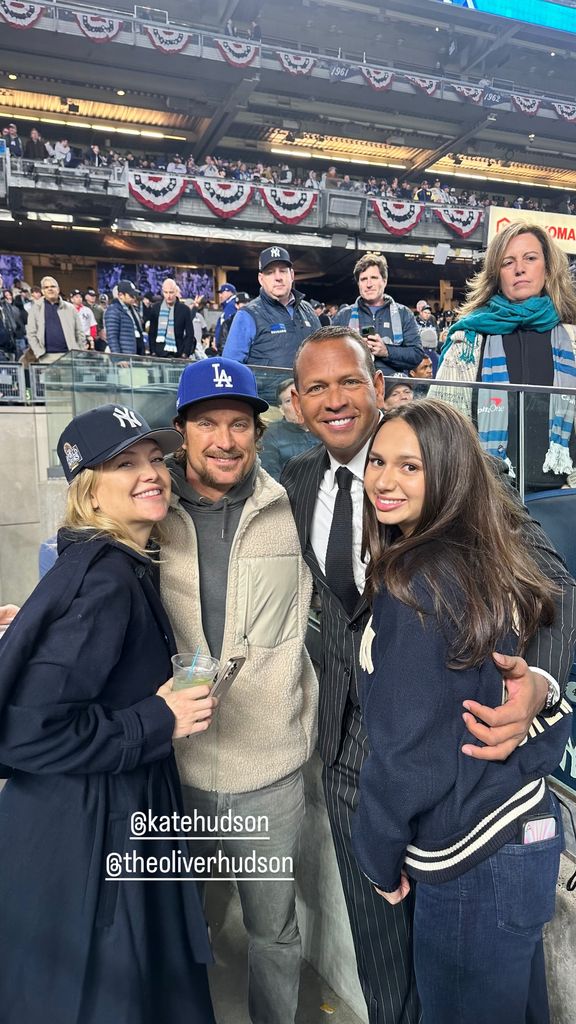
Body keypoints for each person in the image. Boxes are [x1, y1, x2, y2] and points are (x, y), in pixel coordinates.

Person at [281, 324, 576, 1024]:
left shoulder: (456, 479)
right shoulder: (294, 480)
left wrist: (538, 683)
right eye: (316, 387)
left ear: (378, 386)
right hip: (358, 752)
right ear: (295, 404)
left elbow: (551, 582)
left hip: (444, 790)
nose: (335, 399)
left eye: (350, 380)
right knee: (392, 958)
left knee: (459, 975)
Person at [353, 399, 573, 1024]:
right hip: (521, 835)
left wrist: (376, 850)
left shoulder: (419, 582)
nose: (384, 481)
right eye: (378, 462)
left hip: (472, 856)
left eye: (410, 466)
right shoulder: (485, 554)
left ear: (450, 474)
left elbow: (407, 758)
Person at [0, 404, 216, 1024]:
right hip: (91, 836)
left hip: (104, 817)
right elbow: (25, 735)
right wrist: (158, 719)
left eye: (155, 459)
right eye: (125, 464)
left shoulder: (106, 564)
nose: (151, 473)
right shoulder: (104, 582)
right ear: (88, 489)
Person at [160, 358, 318, 1024]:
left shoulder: (293, 503)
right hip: (172, 765)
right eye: (207, 424)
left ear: (257, 432)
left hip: (272, 769)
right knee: (178, 922)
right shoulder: (148, 510)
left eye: (238, 425)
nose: (224, 440)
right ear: (181, 432)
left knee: (274, 932)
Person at [434, 221, 576, 490]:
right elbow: (441, 430)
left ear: (547, 269)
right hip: (487, 498)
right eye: (507, 262)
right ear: (496, 275)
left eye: (530, 258)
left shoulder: (572, 339)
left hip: (564, 496)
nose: (519, 268)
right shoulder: (468, 340)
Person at [222, 245, 321, 377]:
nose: (278, 277)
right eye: (270, 272)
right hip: (267, 397)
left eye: (283, 271)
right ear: (261, 279)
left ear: (291, 275)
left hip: (308, 396)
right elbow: (230, 368)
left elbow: (323, 355)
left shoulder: (308, 310)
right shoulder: (248, 315)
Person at [332, 253, 424, 376]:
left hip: (392, 388)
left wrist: (386, 351)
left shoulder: (404, 314)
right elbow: (331, 356)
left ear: (384, 281)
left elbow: (416, 355)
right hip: (355, 386)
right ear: (358, 284)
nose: (369, 284)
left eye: (374, 278)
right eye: (363, 279)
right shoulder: (344, 316)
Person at [259, 377, 320, 480]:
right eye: (288, 401)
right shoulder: (271, 434)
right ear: (281, 409)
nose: (297, 405)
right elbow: (270, 476)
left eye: (299, 398)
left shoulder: (326, 427)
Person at [25, 276, 86, 363]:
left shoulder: (70, 308)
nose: (50, 289)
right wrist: (39, 352)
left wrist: (79, 350)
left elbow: (79, 332)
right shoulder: (35, 309)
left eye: (53, 286)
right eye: (46, 287)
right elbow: (31, 333)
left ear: (58, 289)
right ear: (43, 291)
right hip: (46, 357)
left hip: (70, 356)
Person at [147, 278, 194, 358]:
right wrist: (153, 351)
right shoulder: (155, 308)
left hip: (178, 354)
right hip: (159, 354)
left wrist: (185, 353)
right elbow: (152, 332)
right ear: (162, 292)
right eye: (166, 292)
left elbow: (190, 334)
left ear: (176, 292)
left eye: (171, 292)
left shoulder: (185, 310)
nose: (168, 296)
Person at [104, 280, 145, 355]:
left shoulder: (133, 310)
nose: (134, 298)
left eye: (135, 295)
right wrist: (119, 358)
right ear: (120, 295)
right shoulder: (113, 310)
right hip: (125, 356)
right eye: (131, 295)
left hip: (137, 354)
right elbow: (112, 337)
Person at [214, 281, 238, 351]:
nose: (220, 296)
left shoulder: (231, 305)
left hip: (226, 346)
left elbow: (229, 327)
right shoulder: (228, 305)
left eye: (222, 292)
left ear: (229, 292)